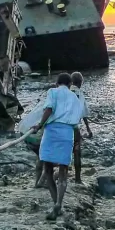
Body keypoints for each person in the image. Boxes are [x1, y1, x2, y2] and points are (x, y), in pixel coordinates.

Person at [32, 73, 82, 220]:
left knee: (48, 169)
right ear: (69, 84)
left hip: (52, 132)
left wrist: (40, 125)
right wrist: (78, 141)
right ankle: (59, 203)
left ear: (57, 83)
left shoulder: (52, 92)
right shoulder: (74, 97)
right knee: (63, 172)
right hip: (67, 133)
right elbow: (76, 121)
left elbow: (49, 109)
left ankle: (55, 203)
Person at [21, 84, 57, 187]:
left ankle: (37, 182)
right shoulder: (53, 106)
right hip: (38, 137)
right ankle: (44, 182)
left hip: (26, 134)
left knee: (39, 158)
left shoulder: (42, 103)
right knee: (49, 160)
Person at [70, 72, 93, 184]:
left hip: (61, 127)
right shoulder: (79, 93)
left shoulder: (66, 92)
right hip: (74, 128)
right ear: (81, 83)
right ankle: (78, 179)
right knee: (77, 152)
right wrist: (88, 129)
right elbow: (84, 113)